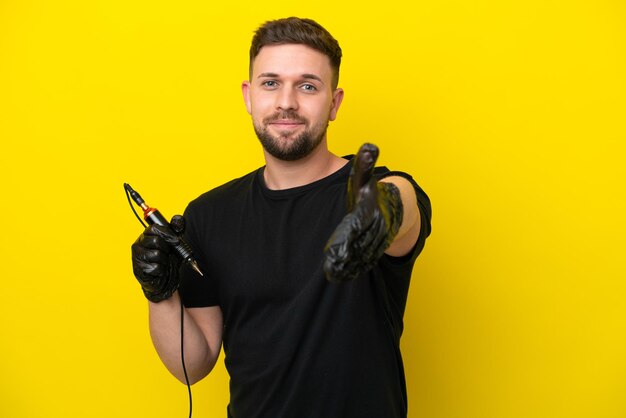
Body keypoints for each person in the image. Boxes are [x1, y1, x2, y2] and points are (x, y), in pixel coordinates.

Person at [131, 17, 432, 418]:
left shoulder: (371, 194)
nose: (286, 102)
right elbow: (192, 366)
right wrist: (160, 293)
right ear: (249, 96)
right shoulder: (208, 215)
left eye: (308, 86)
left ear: (334, 103)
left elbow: (404, 204)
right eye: (271, 83)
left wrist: (386, 209)